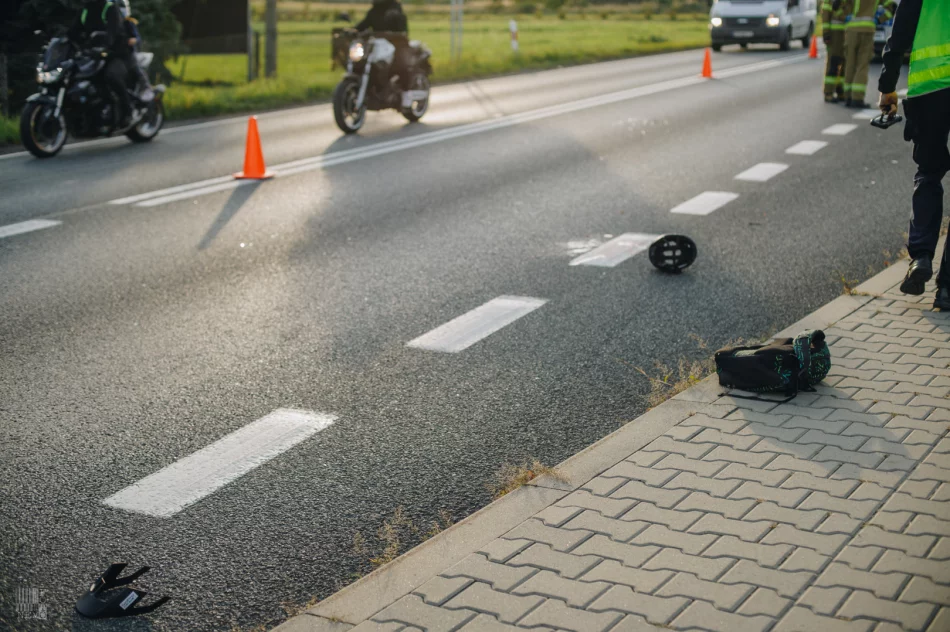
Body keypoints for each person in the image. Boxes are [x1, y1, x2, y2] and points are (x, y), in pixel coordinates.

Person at [879, 0, 950, 308]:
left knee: (929, 173)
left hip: (929, 87)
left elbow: (902, 28)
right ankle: (947, 288)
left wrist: (887, 85)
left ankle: (921, 256)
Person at [68, 0, 138, 127]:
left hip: (117, 54)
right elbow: (73, 32)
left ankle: (128, 111)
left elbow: (113, 31)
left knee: (112, 76)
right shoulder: (85, 11)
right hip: (93, 55)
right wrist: (60, 41)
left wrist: (105, 46)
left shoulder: (110, 8)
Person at [841, 0, 879, 107]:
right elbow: (891, 6)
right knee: (862, 65)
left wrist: (845, 15)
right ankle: (857, 98)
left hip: (852, 30)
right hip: (868, 29)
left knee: (850, 64)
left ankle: (848, 96)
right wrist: (879, 19)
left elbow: (839, 4)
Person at [118, 0, 154, 102]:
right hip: (117, 54)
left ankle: (146, 87)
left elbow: (137, 38)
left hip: (129, 52)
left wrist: (134, 40)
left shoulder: (129, 22)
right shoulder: (111, 21)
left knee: (135, 68)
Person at [821, 0, 847, 102]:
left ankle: (840, 90)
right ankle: (828, 93)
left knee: (845, 63)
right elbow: (825, 15)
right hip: (834, 35)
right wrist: (826, 33)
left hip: (847, 33)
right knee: (833, 62)